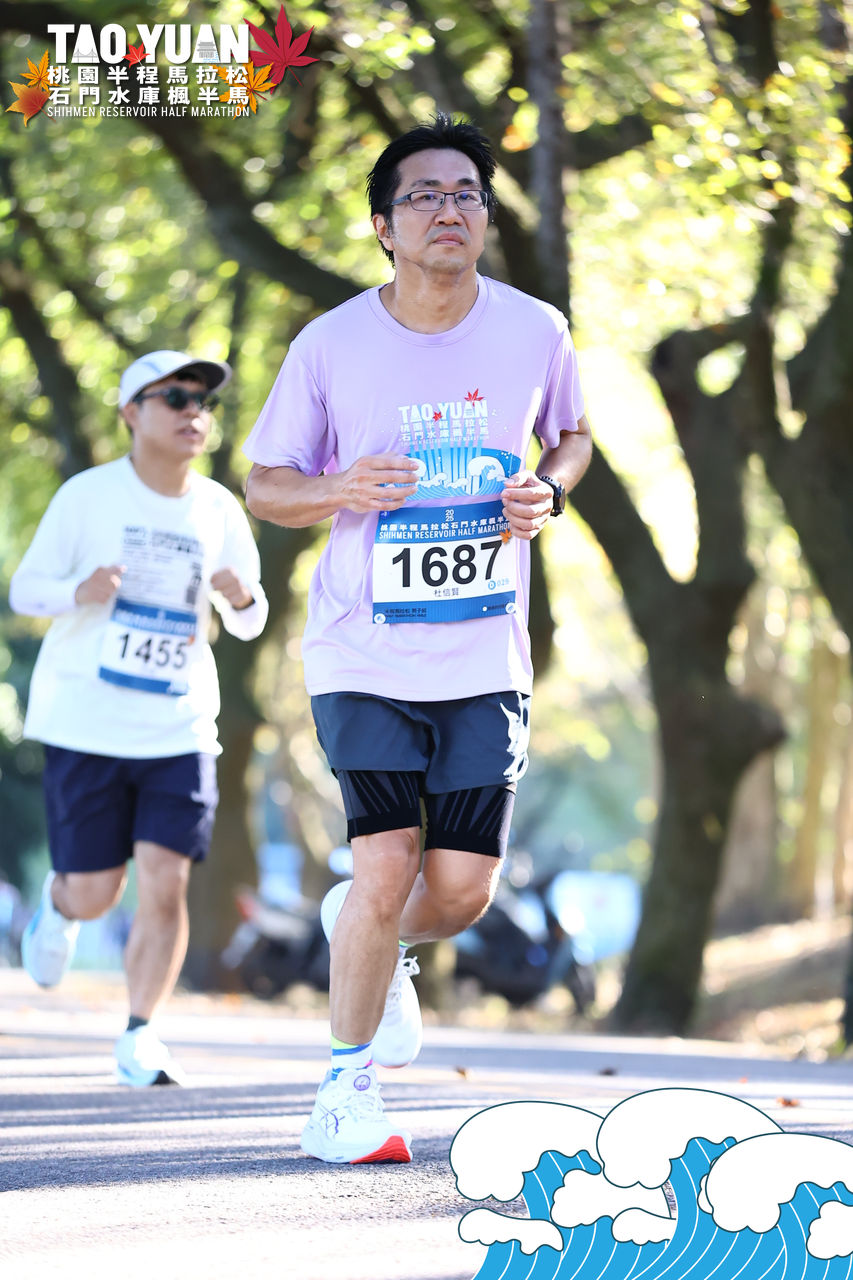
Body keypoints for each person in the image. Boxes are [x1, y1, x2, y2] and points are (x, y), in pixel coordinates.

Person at [244, 113, 592, 1164]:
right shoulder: (330, 343)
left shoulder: (535, 330)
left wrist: (549, 490)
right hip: (363, 651)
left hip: (483, 658)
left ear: (484, 217)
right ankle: (344, 1092)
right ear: (384, 226)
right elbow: (266, 484)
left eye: (466, 194)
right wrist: (339, 487)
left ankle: (368, 928)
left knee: (460, 892)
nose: (450, 209)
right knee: (386, 857)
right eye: (425, 195)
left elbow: (573, 436)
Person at [10, 350, 268, 1086]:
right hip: (86, 722)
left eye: (203, 402)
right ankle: (61, 907)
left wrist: (240, 597)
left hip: (178, 726)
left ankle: (140, 1032)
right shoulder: (87, 496)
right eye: (175, 398)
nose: (194, 412)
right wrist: (80, 590)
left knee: (166, 880)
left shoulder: (218, 508)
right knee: (98, 892)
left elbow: (251, 621)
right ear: (131, 412)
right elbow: (25, 591)